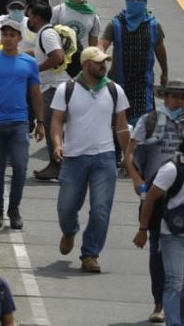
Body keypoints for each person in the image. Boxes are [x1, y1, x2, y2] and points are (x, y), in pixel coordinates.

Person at [50, 46, 130, 274]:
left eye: (105, 62)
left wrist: (127, 155)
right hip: (74, 158)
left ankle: (90, 254)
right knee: (66, 208)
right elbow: (56, 121)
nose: (103, 65)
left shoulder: (115, 90)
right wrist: (57, 145)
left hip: (104, 158)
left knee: (101, 209)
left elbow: (122, 127)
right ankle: (69, 230)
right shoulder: (67, 89)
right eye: (98, 62)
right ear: (86, 65)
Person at [0, 18, 44, 230]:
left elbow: (35, 93)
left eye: (12, 35)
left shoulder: (29, 62)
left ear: (19, 38)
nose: (7, 39)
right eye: (4, 34)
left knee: (20, 166)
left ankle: (13, 209)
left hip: (19, 122)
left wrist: (40, 121)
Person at [127, 80, 184, 324]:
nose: (178, 102)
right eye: (174, 97)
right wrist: (137, 179)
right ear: (165, 98)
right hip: (155, 192)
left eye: (182, 98)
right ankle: (159, 302)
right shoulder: (150, 120)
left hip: (181, 194)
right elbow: (130, 152)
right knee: (158, 249)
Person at [100, 0, 169, 124]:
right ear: (126, 2)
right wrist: (97, 57)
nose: (135, 2)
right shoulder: (115, 24)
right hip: (119, 81)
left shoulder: (154, 25)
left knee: (142, 123)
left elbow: (160, 51)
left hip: (142, 84)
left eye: (139, 0)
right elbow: (102, 45)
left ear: (145, 3)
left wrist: (164, 72)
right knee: (117, 119)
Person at [135, 137, 184, 326]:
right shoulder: (171, 169)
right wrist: (142, 229)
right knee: (175, 282)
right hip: (172, 235)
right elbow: (150, 199)